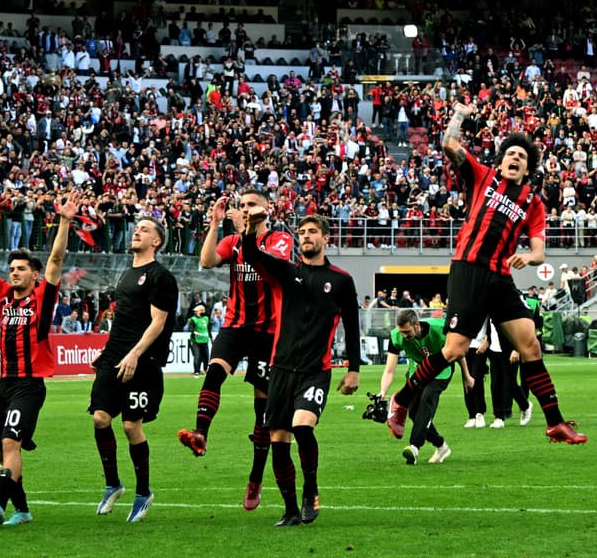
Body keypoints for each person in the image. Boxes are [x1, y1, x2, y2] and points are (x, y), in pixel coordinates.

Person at [386, 104, 586, 446]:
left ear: (528, 166)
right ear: (501, 159)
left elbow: (539, 251)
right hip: (468, 270)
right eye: (510, 152)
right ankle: (402, 400)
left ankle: (554, 422)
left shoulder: (532, 202)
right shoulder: (483, 176)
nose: (515, 157)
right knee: (453, 350)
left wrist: (528, 257)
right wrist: (460, 114)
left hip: (500, 278)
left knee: (531, 345)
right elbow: (449, 144)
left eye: (522, 155)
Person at [0, 191, 80, 527]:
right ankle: (22, 510)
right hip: (5, 384)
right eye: (12, 269)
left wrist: (65, 221)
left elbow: (55, 261)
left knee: (11, 441)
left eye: (21, 269)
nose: (14, 273)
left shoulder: (42, 296)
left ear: (34, 275)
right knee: (1, 451)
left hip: (29, 384)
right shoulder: (4, 296)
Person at [241, 210, 361, 526]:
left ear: (325, 238)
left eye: (311, 231)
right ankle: (291, 510)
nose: (305, 236)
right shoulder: (285, 273)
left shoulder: (341, 281)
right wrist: (252, 228)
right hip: (280, 370)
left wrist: (354, 368)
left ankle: (311, 489)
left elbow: (352, 325)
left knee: (303, 426)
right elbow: (251, 254)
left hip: (315, 370)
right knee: (278, 442)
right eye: (302, 232)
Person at [179, 189, 293, 514]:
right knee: (214, 371)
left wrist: (245, 233)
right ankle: (200, 434)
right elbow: (205, 261)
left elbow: (275, 267)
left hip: (268, 331)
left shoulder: (278, 239)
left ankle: (256, 477)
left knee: (263, 411)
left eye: (251, 205)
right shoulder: (232, 242)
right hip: (235, 325)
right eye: (240, 205)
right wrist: (215, 224)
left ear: (266, 209)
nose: (244, 209)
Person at [90, 217, 179, 523]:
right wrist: (107, 351)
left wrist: (135, 354)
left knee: (130, 426)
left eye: (144, 229)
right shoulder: (127, 273)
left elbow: (158, 322)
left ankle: (143, 493)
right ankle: (113, 484)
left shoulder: (160, 276)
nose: (136, 231)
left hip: (143, 360)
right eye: (136, 228)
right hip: (114, 355)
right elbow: (125, 319)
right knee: (101, 418)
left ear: (156, 241)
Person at [379, 309, 460, 465]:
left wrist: (466, 376)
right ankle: (441, 446)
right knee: (415, 413)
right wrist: (383, 392)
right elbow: (389, 370)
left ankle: (414, 447)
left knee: (427, 398)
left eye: (407, 331)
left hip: (440, 371)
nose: (404, 335)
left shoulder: (439, 329)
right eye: (401, 332)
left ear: (416, 325)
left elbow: (457, 351)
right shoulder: (396, 337)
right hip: (417, 373)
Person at [186, 304, 211, 377]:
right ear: (197, 312)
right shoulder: (193, 319)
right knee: (197, 356)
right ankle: (196, 371)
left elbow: (208, 328)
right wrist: (195, 332)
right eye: (202, 310)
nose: (204, 311)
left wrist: (211, 337)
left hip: (205, 340)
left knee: (206, 356)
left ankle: (205, 370)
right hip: (195, 341)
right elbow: (191, 329)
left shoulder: (206, 318)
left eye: (204, 310)